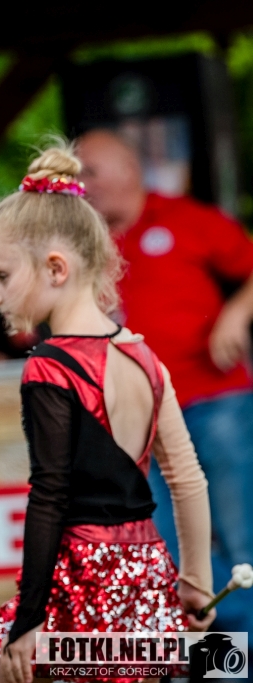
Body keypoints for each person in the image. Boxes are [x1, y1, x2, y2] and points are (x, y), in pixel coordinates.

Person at [0, 145, 214, 683]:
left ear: (56, 268)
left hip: (81, 577)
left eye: (2, 276)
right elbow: (187, 480)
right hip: (146, 576)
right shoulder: (146, 359)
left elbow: (50, 494)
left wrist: (28, 619)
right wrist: (196, 582)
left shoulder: (49, 368)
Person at [76, 130, 253, 631]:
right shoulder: (83, 242)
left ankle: (242, 658)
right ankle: (222, 661)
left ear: (129, 169)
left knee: (242, 542)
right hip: (134, 422)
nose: (82, 184)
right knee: (167, 558)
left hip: (213, 400)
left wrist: (236, 315)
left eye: (91, 171)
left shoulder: (186, 218)